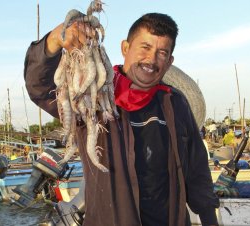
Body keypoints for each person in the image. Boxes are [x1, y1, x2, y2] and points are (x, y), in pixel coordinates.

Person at [24, 13, 219, 226]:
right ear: (125, 48)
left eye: (162, 52)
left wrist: (211, 220)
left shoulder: (175, 103)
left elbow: (197, 169)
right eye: (144, 47)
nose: (151, 59)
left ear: (170, 61)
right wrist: (54, 40)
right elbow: (39, 87)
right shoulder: (90, 97)